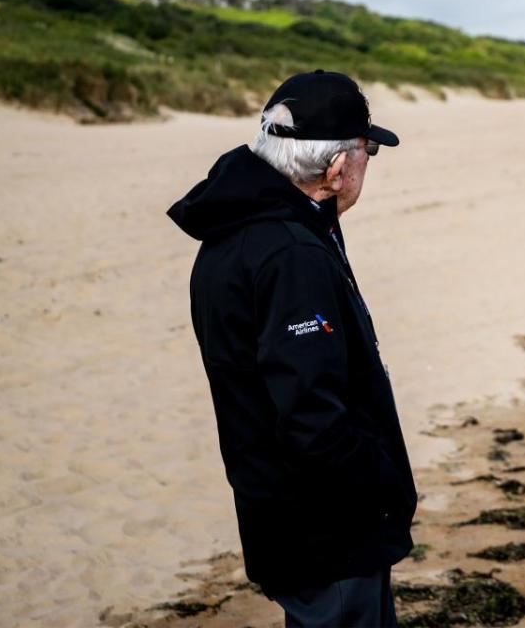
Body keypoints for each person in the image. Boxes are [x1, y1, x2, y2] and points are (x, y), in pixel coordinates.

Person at [167, 69, 417, 627]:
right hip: (325, 529)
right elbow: (312, 419)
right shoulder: (288, 254)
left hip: (282, 511)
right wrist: (382, 486)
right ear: (335, 167)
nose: (367, 163)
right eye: (367, 150)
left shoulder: (242, 230)